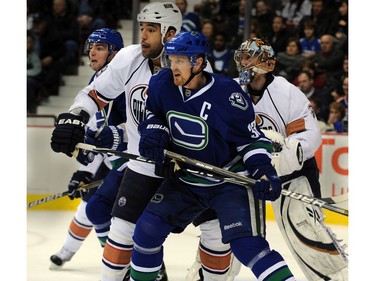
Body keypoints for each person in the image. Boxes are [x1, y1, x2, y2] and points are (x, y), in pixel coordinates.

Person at [129, 30, 295, 281]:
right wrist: (154, 130)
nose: (172, 66)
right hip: (187, 178)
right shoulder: (161, 84)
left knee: (248, 248)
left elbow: (251, 141)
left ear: (197, 62)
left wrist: (263, 170)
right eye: (170, 60)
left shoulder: (228, 95)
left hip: (229, 180)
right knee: (147, 231)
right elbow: (153, 114)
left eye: (180, 61)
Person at [50, 3, 184, 280]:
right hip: (139, 165)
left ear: (170, 33)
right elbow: (93, 95)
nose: (142, 35)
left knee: (214, 234)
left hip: (183, 168)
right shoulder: (129, 58)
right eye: (142, 28)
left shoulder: (189, 65)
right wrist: (75, 117)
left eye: (151, 29)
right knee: (119, 227)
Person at [220, 37, 348, 280]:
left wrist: (279, 160)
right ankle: (210, 275)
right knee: (225, 231)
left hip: (292, 173)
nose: (242, 62)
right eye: (242, 57)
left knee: (304, 226)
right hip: (245, 173)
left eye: (248, 57)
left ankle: (334, 277)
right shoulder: (231, 90)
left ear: (265, 63)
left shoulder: (287, 93)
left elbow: (309, 137)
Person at [49, 28, 126, 269]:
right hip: (112, 159)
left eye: (100, 47)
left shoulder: (125, 82)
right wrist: (86, 170)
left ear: (115, 54)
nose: (92, 52)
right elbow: (95, 128)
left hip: (134, 161)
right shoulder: (97, 80)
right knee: (90, 206)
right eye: (91, 47)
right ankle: (68, 252)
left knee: (130, 220)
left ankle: (128, 265)